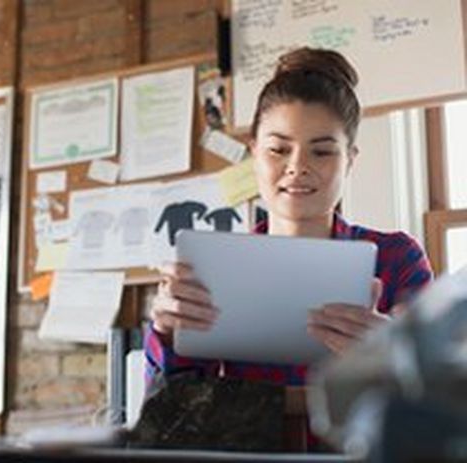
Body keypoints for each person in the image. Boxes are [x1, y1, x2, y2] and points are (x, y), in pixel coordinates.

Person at [145, 47, 434, 388]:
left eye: (323, 151)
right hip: (246, 441)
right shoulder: (216, 268)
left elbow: (439, 399)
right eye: (278, 150)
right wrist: (165, 332)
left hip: (358, 443)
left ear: (350, 160)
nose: (297, 166)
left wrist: (398, 354)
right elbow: (173, 409)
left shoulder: (396, 259)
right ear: (254, 153)